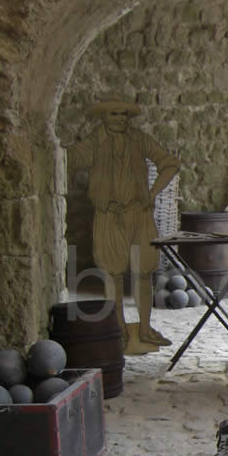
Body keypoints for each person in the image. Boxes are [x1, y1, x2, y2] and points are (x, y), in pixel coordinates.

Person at [67, 94, 180, 351]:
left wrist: (152, 193)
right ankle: (116, 331)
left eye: (123, 115)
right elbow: (70, 160)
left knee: (143, 274)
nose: (119, 119)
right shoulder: (94, 141)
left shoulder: (140, 140)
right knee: (112, 274)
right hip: (108, 216)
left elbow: (170, 164)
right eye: (113, 114)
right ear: (104, 117)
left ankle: (145, 329)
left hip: (139, 215)